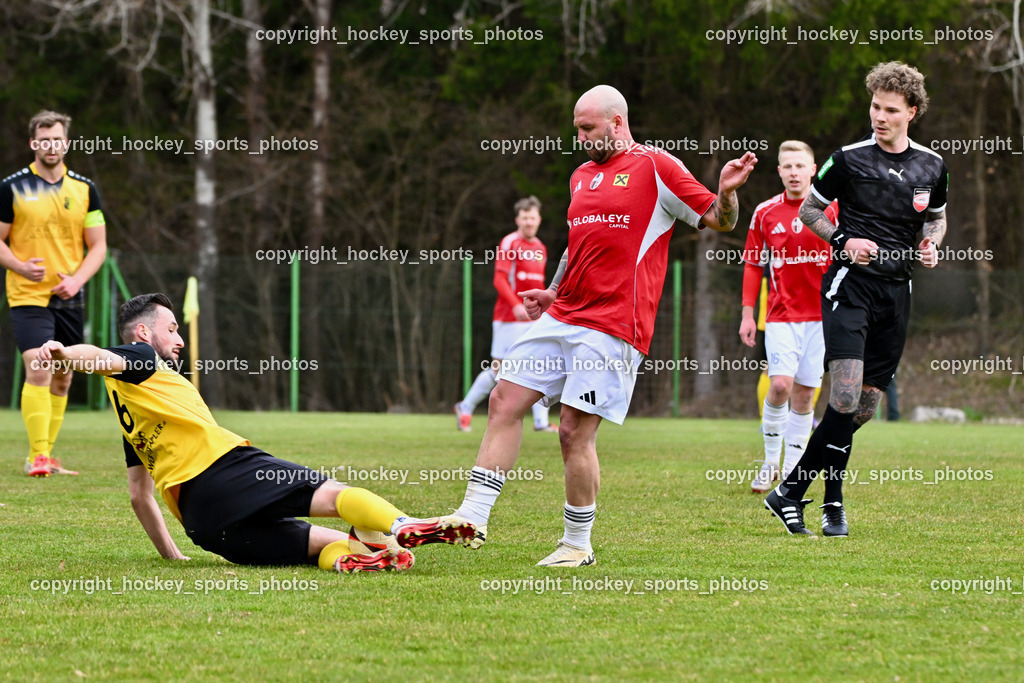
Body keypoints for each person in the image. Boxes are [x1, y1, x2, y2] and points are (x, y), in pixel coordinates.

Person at [442, 84, 757, 566]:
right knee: (505, 397)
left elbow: (719, 220)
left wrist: (728, 193)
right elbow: (577, 243)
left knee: (573, 430)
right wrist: (552, 290)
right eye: (576, 129)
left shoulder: (657, 166)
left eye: (588, 128)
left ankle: (576, 544)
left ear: (616, 122)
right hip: (565, 312)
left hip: (614, 323)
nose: (581, 137)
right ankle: (472, 516)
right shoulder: (580, 176)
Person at [36, 293, 477, 572]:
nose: (180, 340)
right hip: (222, 471)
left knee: (323, 545)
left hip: (206, 528)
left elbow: (139, 495)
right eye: (172, 329)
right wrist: (64, 353)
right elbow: (98, 355)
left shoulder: (129, 408)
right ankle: (403, 525)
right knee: (333, 494)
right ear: (143, 332)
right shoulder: (141, 357)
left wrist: (174, 556)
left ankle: (356, 557)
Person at [765, 62, 948, 536]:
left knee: (863, 408)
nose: (879, 116)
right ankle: (833, 503)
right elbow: (809, 209)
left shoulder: (932, 165)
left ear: (912, 112)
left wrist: (931, 243)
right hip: (848, 287)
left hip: (897, 292)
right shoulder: (847, 159)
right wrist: (844, 239)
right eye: (874, 106)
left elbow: (936, 218)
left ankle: (789, 490)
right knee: (843, 397)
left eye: (890, 109)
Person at [0, 110, 108, 477]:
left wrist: (77, 280)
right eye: (43, 139)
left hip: (69, 297)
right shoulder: (12, 187)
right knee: (40, 364)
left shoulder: (84, 189)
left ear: (66, 142)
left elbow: (98, 247)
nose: (51, 145)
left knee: (64, 375)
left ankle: (48, 454)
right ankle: (38, 456)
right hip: (28, 294)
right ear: (33, 143)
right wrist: (18, 265)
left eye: (57, 139)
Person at [740, 141, 836, 492]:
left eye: (800, 166)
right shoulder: (765, 212)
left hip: (822, 320)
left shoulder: (835, 210)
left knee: (805, 396)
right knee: (780, 385)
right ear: (779, 171)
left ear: (813, 169)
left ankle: (793, 471)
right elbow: (752, 265)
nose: (794, 172)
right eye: (787, 166)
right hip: (781, 317)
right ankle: (768, 462)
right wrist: (748, 314)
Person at [454, 195, 557, 433]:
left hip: (532, 318)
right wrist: (515, 305)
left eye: (532, 218)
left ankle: (540, 422)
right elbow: (500, 279)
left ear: (539, 219)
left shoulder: (540, 248)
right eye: (525, 218)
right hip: (508, 317)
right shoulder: (510, 243)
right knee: (498, 369)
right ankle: (465, 406)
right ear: (517, 220)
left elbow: (538, 283)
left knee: (539, 364)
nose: (529, 222)